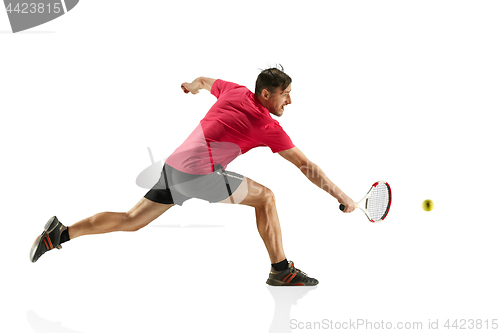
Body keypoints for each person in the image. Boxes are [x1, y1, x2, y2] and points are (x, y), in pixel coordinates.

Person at [30, 66, 356, 286]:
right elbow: (305, 166)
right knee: (266, 197)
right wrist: (342, 198)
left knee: (132, 220)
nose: (290, 100)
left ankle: (59, 233)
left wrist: (192, 87)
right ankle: (281, 272)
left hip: (174, 167)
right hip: (197, 176)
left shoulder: (235, 90)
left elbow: (203, 79)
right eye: (285, 94)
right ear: (267, 94)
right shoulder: (266, 124)